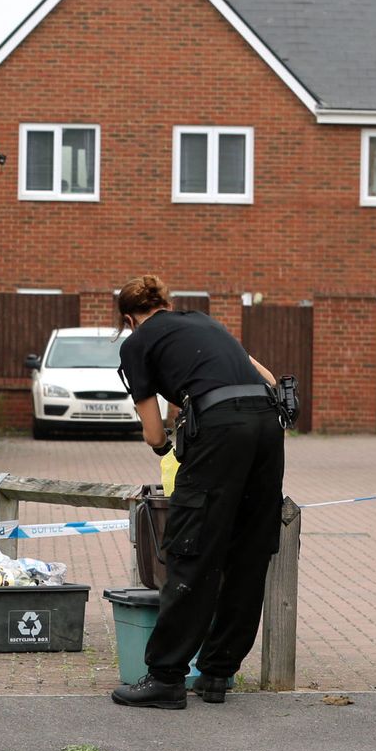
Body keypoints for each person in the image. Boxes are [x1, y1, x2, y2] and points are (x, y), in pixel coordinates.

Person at [110, 274, 286, 711]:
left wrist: (167, 450)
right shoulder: (204, 322)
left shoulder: (136, 344)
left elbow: (153, 429)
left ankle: (166, 678)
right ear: (166, 304)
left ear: (129, 319)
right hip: (267, 422)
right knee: (249, 548)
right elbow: (264, 374)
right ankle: (218, 673)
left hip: (221, 427)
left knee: (191, 548)